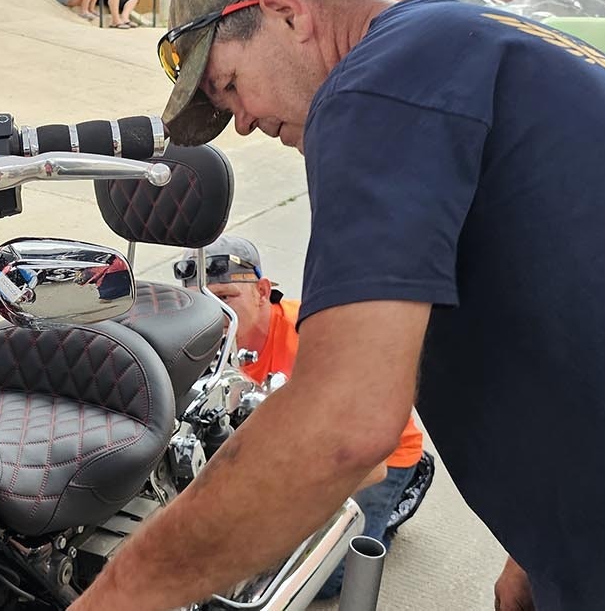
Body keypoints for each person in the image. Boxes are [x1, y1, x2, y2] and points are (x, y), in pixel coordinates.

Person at [68, 0, 605, 611]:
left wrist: (119, 593)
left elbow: (342, 426)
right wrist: (541, 551)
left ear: (284, 12)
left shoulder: (374, 82)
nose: (240, 119)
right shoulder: (484, 42)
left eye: (229, 85)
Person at [172, 235, 435, 601]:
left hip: (375, 458)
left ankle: (392, 509)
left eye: (227, 297)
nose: (215, 314)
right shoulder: (202, 344)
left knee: (322, 580)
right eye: (201, 300)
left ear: (263, 291)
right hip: (287, 448)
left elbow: (369, 460)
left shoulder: (316, 342)